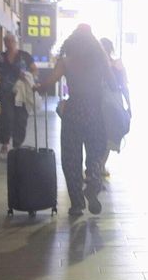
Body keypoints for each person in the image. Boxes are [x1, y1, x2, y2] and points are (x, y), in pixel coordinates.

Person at [42, 25, 115, 216]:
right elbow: (114, 84)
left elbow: (49, 82)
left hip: (73, 111)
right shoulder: (101, 59)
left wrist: (36, 87)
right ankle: (92, 182)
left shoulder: (67, 61)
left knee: (71, 158)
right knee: (96, 153)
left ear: (71, 41)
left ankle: (77, 204)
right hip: (95, 112)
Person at [0, 30, 37, 159]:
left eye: (12, 41)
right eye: (7, 41)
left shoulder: (24, 55)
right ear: (4, 43)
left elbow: (34, 69)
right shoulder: (0, 58)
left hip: (22, 91)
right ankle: (5, 142)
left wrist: (30, 78)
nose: (9, 44)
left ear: (16, 42)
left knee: (21, 118)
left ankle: (17, 145)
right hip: (6, 91)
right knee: (7, 116)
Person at [100, 39, 131, 159]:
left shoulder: (96, 66)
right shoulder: (118, 65)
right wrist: (129, 106)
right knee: (109, 135)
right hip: (115, 102)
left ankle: (97, 165)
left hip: (99, 101)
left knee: (100, 134)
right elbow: (124, 87)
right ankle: (101, 165)